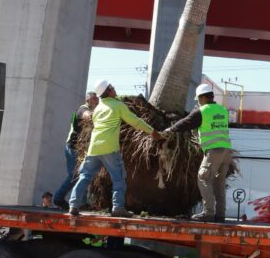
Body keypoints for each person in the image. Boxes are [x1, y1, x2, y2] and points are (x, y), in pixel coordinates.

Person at [68, 80, 154, 218]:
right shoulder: (118, 105)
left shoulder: (97, 109)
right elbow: (135, 121)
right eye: (112, 87)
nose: (115, 89)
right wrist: (152, 132)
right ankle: (118, 208)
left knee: (85, 176)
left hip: (94, 148)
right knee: (118, 178)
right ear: (107, 91)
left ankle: (73, 205)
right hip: (109, 148)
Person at [155, 81, 234, 222]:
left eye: (198, 99)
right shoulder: (222, 110)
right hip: (227, 151)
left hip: (214, 150)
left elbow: (185, 122)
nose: (198, 102)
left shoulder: (203, 111)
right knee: (219, 183)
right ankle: (220, 214)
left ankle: (208, 213)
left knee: (203, 178)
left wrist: (167, 131)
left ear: (203, 97)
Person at [52, 90, 99, 209]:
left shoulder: (90, 109)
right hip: (72, 148)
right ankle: (58, 197)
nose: (97, 100)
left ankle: (82, 202)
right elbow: (88, 117)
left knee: (81, 174)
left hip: (79, 149)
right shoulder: (82, 109)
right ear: (88, 100)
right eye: (95, 98)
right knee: (75, 175)